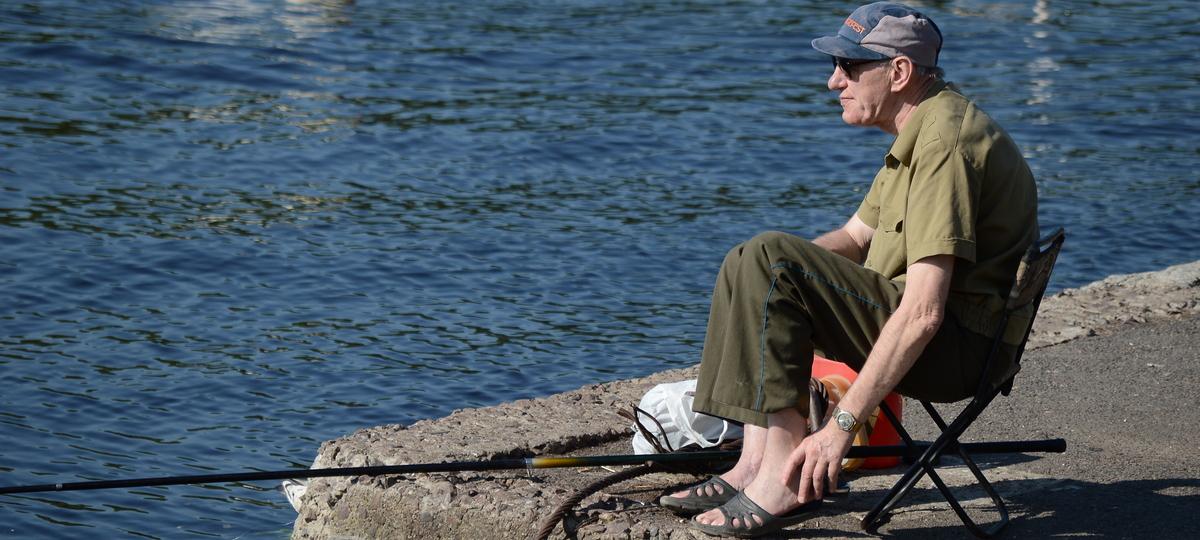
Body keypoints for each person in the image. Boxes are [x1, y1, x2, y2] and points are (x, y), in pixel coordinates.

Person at [658, 2, 1039, 537]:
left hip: (955, 352)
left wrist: (841, 425)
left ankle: (784, 477)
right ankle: (753, 462)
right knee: (750, 259)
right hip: (933, 332)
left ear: (899, 72)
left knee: (770, 260)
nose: (834, 81)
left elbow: (924, 312)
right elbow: (856, 238)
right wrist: (769, 281)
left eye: (850, 66)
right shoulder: (923, 126)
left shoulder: (945, 145)